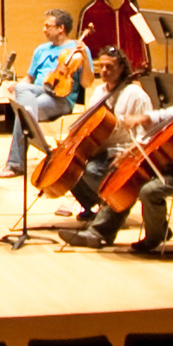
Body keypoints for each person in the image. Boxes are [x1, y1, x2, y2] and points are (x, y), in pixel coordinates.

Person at [60, 56, 173, 254]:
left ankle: (156, 235)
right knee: (127, 176)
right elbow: (168, 114)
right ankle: (98, 233)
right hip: (172, 164)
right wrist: (142, 118)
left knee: (149, 190)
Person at [56, 46, 154, 229]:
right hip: (98, 148)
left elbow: (147, 134)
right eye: (102, 66)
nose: (104, 71)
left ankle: (112, 208)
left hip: (121, 152)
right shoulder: (99, 91)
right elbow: (90, 124)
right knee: (67, 169)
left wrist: (129, 152)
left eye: (110, 67)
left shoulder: (136, 95)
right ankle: (93, 207)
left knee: (91, 171)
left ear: (122, 68)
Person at [0, 9, 90, 177]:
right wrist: (15, 85)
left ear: (61, 28)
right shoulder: (41, 50)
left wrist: (85, 59)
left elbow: (87, 82)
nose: (44, 29)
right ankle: (36, 136)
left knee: (23, 112)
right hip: (39, 90)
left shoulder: (78, 50)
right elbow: (29, 78)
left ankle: (15, 164)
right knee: (21, 90)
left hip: (61, 97)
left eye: (48, 26)